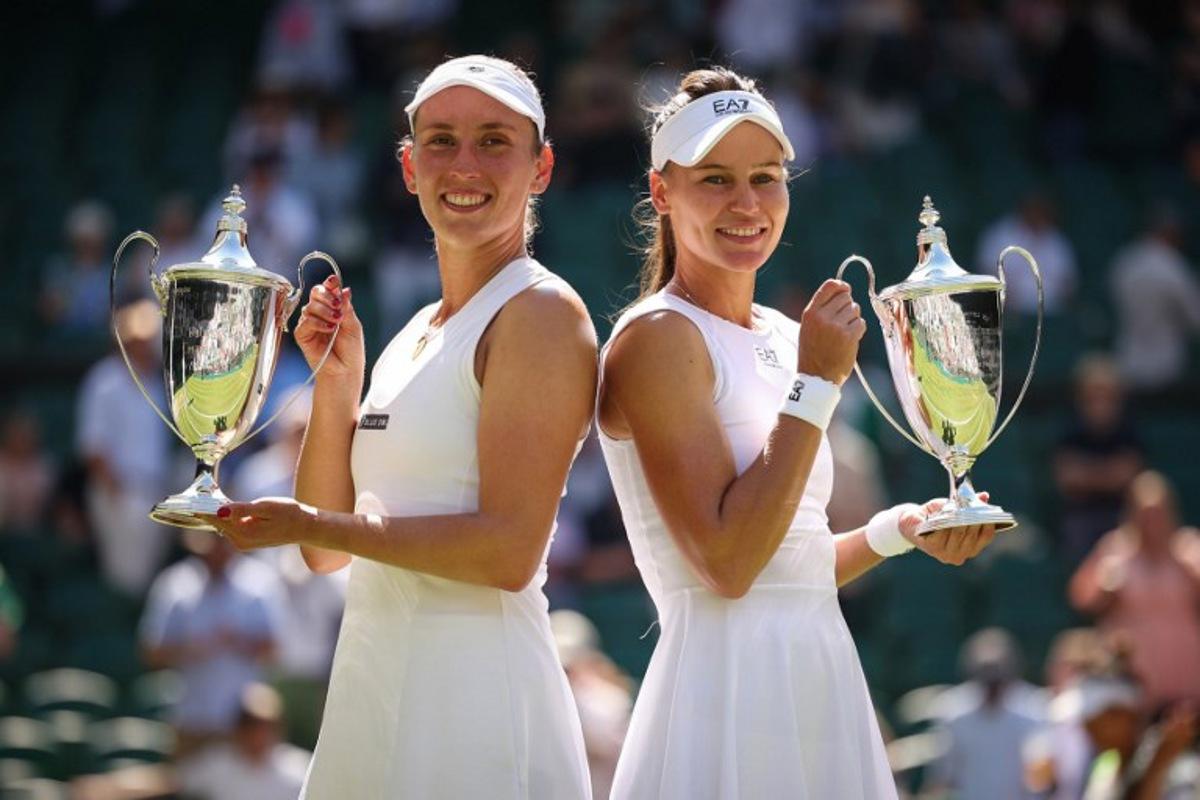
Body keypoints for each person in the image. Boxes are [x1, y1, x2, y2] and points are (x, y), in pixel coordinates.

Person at [596, 67, 998, 799]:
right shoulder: (655, 338)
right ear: (662, 193)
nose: (747, 203)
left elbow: (791, 567)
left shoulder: (785, 336)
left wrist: (897, 529)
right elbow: (728, 565)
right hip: (722, 698)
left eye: (766, 178)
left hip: (820, 672)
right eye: (715, 179)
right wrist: (816, 383)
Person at [207, 55, 596, 798]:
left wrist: (319, 525)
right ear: (409, 167)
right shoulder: (414, 329)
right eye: (441, 140)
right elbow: (325, 555)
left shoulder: (542, 315)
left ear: (541, 167)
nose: (465, 164)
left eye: (494, 140)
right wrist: (338, 384)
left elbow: (509, 552)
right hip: (371, 685)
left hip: (479, 700)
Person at [1069, 471, 1200, 709]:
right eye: (1146, 515)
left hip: (1186, 683)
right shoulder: (1115, 551)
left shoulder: (1189, 549)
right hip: (1132, 687)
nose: (1153, 524)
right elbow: (1082, 597)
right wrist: (1106, 589)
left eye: (1158, 515)